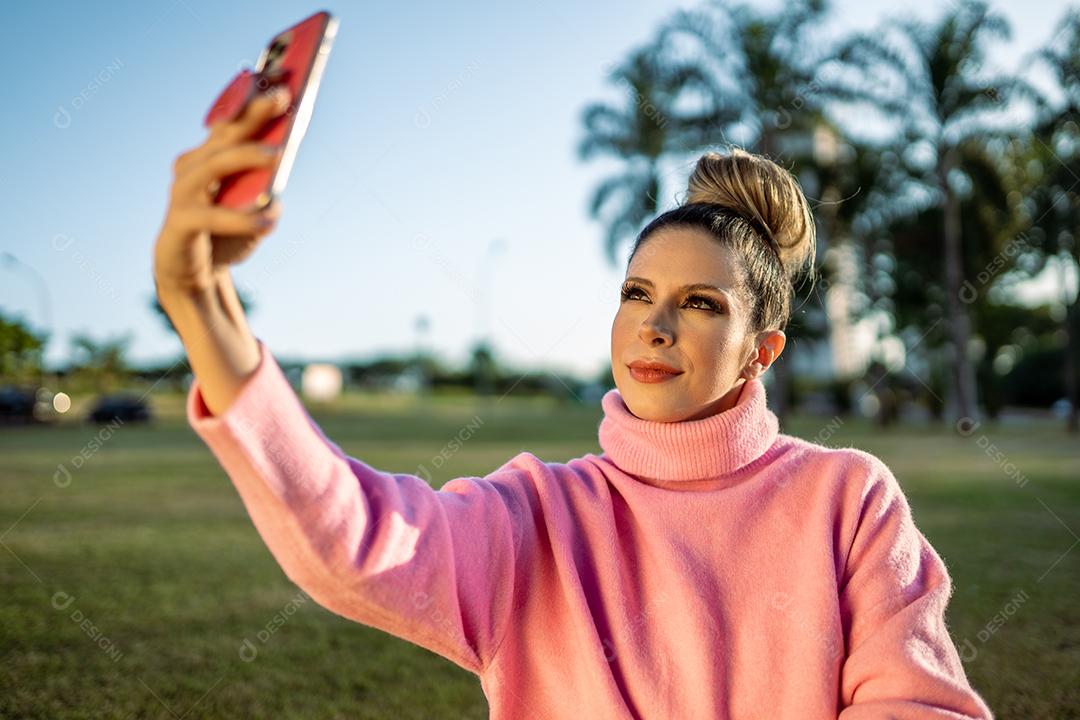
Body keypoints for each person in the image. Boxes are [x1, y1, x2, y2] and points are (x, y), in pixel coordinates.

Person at [153, 86, 995, 719]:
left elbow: (917, 704)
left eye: (702, 304)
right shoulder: (537, 512)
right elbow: (356, 539)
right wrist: (200, 303)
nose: (656, 326)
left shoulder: (847, 497)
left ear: (760, 351)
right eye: (638, 292)